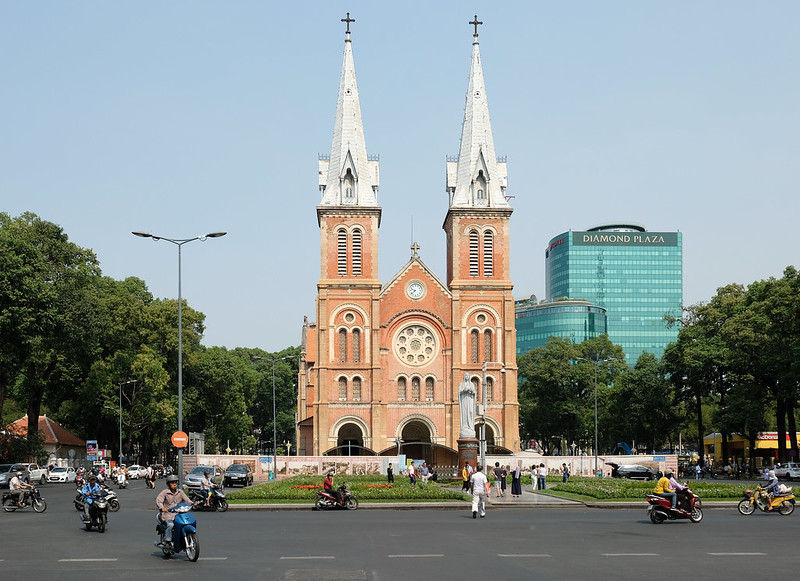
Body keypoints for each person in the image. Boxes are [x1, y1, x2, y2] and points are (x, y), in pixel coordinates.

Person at [156, 474, 193, 548]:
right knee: (170, 525)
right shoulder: (165, 492)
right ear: (168, 484)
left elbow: (187, 500)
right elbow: (159, 501)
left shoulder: (180, 492)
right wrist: (162, 508)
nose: (174, 484)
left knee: (187, 523)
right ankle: (168, 541)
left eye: (175, 482)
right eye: (172, 482)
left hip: (179, 514)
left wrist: (192, 504)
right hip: (168, 514)